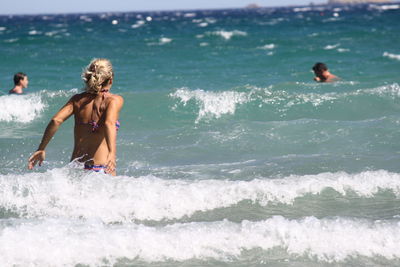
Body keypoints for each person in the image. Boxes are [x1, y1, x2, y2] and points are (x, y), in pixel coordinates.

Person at [28, 58, 124, 175]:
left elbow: (56, 120)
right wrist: (112, 154)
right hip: (101, 170)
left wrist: (41, 148)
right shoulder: (114, 100)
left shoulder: (77, 100)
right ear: (111, 79)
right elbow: (109, 123)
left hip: (76, 169)